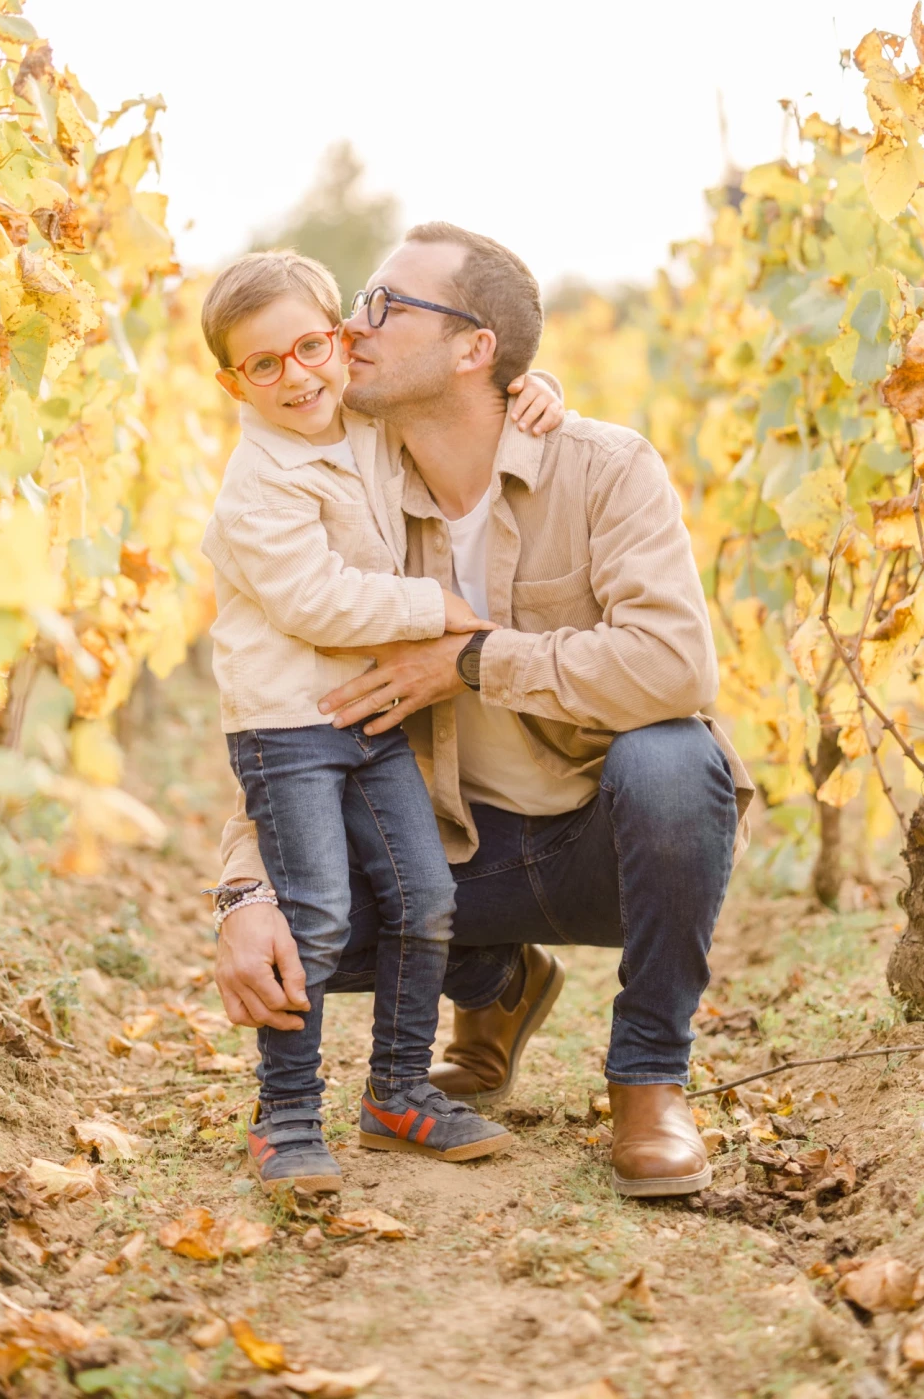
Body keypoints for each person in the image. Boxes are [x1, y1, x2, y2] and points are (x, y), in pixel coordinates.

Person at [215, 223, 754, 1198]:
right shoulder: (354, 488)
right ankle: (496, 985)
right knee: (301, 929)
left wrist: (472, 661)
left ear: (476, 350)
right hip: (457, 854)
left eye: (384, 305)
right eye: (357, 300)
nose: (350, 322)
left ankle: (648, 1080)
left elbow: (675, 665)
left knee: (675, 760)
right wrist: (245, 892)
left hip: (601, 837)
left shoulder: (603, 467)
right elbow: (289, 702)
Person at [200, 249, 565, 1195]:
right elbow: (315, 602)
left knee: (425, 900)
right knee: (314, 916)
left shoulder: (359, 419)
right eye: (264, 365)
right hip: (288, 730)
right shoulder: (259, 481)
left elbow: (455, 403)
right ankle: (283, 1118)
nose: (297, 376)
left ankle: (398, 1093)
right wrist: (434, 609)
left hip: (370, 720)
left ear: (339, 338)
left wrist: (531, 387)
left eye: (311, 346)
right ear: (232, 381)